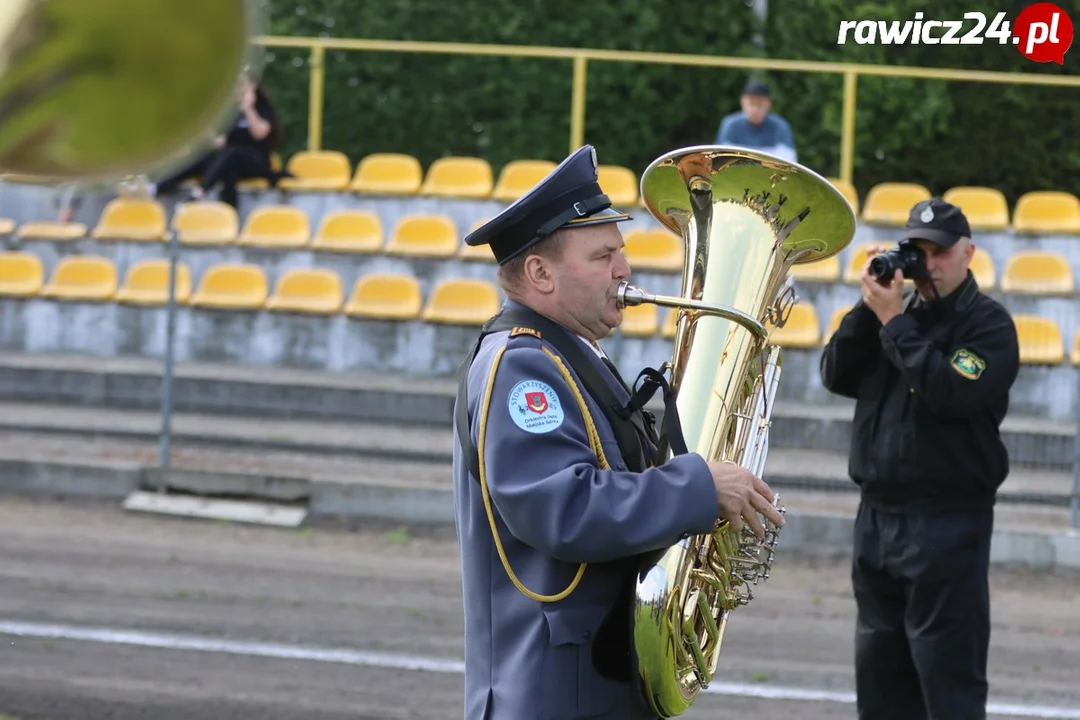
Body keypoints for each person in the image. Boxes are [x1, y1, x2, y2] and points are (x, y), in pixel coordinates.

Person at [452, 144, 785, 720]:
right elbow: (561, 506)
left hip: (590, 686)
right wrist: (699, 489)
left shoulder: (573, 354)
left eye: (621, 253)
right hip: (554, 694)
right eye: (604, 256)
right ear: (540, 273)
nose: (625, 270)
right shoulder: (522, 365)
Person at [820, 197, 1020, 720]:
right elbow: (836, 374)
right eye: (918, 251)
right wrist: (870, 309)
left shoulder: (989, 326)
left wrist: (894, 325)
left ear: (968, 253)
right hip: (877, 520)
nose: (928, 264)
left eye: (939, 252)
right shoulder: (893, 317)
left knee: (947, 682)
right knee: (881, 681)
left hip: (947, 523)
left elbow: (950, 391)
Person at [151, 73, 286, 208]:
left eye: (242, 85)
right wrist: (208, 133)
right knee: (210, 161)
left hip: (256, 161)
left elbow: (260, 134)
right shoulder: (233, 113)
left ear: (253, 86)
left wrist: (248, 108)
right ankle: (156, 189)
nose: (238, 89)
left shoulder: (262, 108)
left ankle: (200, 192)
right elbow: (223, 143)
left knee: (232, 154)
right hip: (231, 161)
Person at [715, 79, 797, 162]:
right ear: (742, 101)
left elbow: (788, 162)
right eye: (751, 103)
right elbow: (720, 160)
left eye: (759, 104)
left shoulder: (780, 127)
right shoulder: (730, 125)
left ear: (769, 103)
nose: (755, 109)